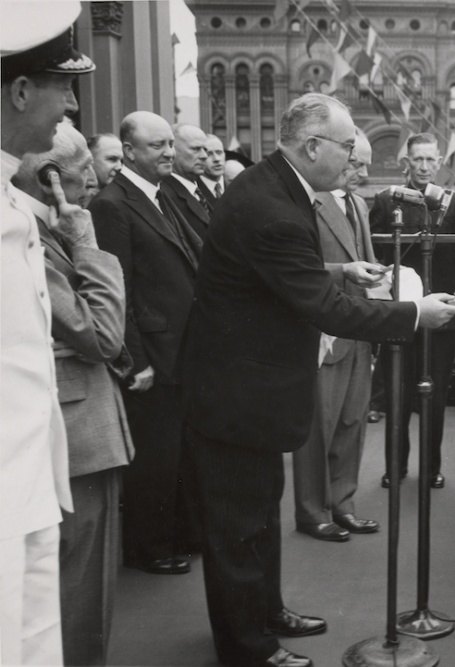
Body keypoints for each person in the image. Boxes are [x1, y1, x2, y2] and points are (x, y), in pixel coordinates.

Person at [180, 93, 455, 667]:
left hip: (249, 387)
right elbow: (326, 309)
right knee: (238, 524)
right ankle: (249, 649)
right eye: (347, 142)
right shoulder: (276, 207)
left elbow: (283, 271)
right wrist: (414, 315)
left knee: (260, 509)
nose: (356, 150)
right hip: (238, 393)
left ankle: (265, 612)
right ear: (312, 147)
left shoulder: (275, 186)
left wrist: (339, 268)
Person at [13, 121, 134, 666]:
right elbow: (102, 335)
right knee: (80, 600)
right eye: (87, 170)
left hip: (79, 429)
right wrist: (88, 245)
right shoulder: (35, 240)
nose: (95, 182)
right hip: (77, 441)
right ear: (51, 178)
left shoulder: (43, 231)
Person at [1, 2, 94, 663]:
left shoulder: (13, 198)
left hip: (28, 482)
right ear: (22, 89)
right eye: (63, 85)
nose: (71, 106)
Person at [89, 111, 203, 576]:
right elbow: (119, 291)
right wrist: (134, 360)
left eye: (170, 145)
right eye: (157, 146)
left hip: (180, 349)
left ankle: (176, 534)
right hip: (150, 355)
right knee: (154, 456)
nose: (169, 153)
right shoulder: (113, 204)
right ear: (130, 151)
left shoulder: (164, 196)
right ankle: (150, 547)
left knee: (176, 451)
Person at [369, 132, 455, 489]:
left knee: (434, 397)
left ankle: (431, 468)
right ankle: (395, 467)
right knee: (397, 395)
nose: (423, 167)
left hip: (440, 316)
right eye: (417, 160)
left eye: (429, 160)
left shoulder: (452, 204)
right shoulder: (385, 200)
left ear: (438, 163)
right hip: (401, 314)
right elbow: (373, 253)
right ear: (406, 163)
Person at [291, 130, 386, 542]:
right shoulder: (307, 203)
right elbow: (302, 267)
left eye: (365, 165)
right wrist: (344, 272)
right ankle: (313, 511)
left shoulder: (360, 205)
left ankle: (343, 502)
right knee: (319, 425)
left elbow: (362, 259)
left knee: (351, 421)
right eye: (355, 164)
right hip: (325, 331)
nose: (362, 173)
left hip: (358, 329)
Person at [161, 123, 211, 239]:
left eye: (205, 149)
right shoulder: (164, 193)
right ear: (172, 150)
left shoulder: (200, 191)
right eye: (196, 149)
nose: (204, 156)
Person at [198, 133, 226, 206]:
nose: (216, 159)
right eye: (209, 154)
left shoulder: (235, 186)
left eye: (219, 152)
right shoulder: (194, 190)